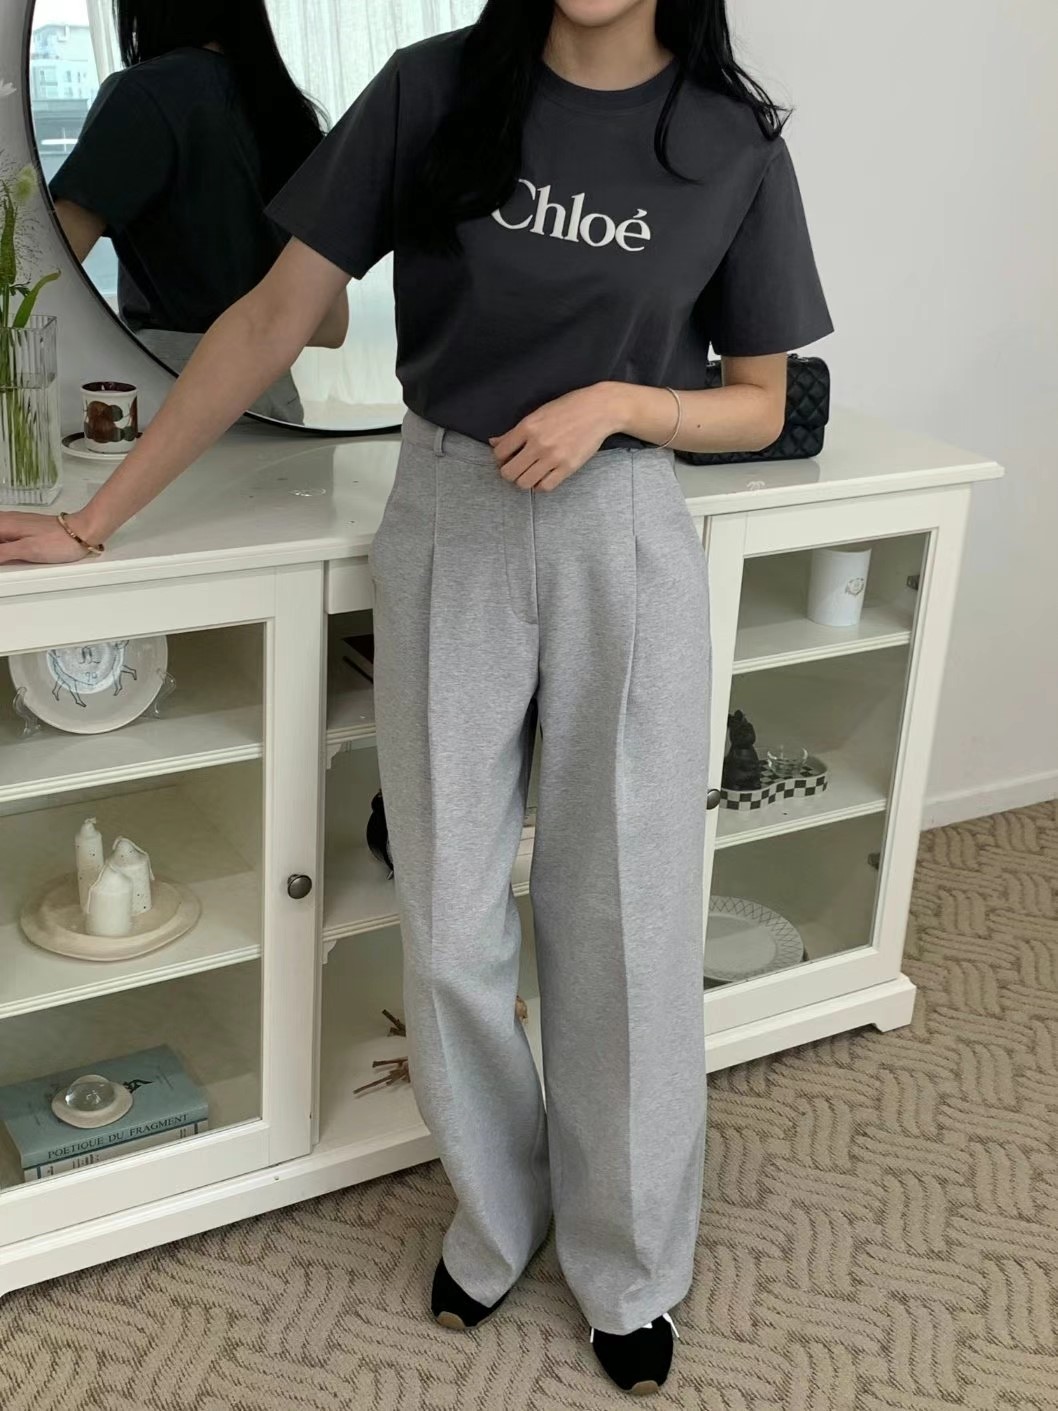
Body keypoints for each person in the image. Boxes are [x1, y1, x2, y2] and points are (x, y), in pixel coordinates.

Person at [0, 0, 833, 1394]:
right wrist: (96, 520)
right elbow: (277, 312)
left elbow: (758, 397)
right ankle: (496, 1216)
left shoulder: (726, 139)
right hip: (449, 508)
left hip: (623, 524)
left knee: (623, 918)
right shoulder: (432, 92)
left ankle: (628, 1261)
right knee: (447, 916)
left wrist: (624, 404)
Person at [48, 0, 348, 423]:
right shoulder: (289, 115)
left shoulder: (145, 93)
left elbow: (39, 277)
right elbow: (331, 326)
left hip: (167, 397)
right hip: (273, 410)